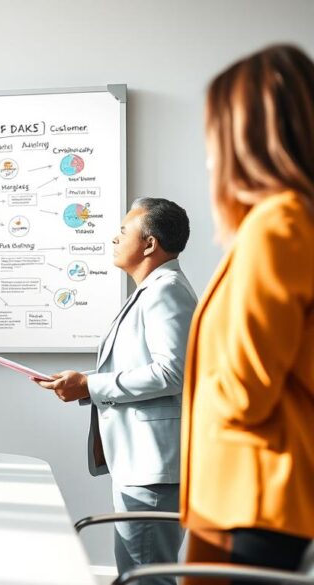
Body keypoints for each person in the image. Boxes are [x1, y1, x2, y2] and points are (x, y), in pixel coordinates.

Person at [180, 44, 314, 582]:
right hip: (250, 493)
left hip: (249, 492)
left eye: (214, 136)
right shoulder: (291, 219)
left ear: (245, 136)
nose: (211, 157)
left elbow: (245, 391)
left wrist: (193, 400)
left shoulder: (276, 224)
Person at [38, 197, 197, 582]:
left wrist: (91, 385)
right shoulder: (152, 290)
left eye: (124, 231)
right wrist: (83, 384)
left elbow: (172, 372)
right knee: (141, 571)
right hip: (141, 462)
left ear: (149, 244)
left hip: (154, 466)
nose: (114, 238)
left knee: (145, 575)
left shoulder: (166, 290)